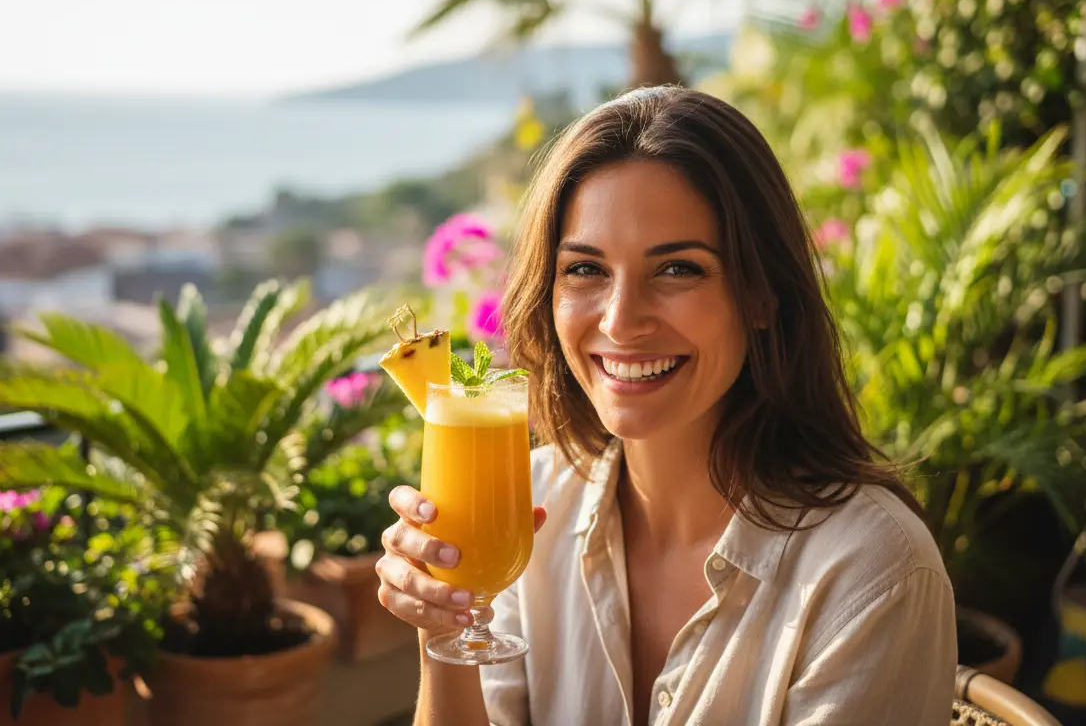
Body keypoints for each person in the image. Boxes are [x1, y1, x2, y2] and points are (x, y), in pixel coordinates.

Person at [375, 87, 958, 725]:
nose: (622, 322)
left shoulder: (871, 572)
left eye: (678, 269)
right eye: (585, 270)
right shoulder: (525, 517)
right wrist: (443, 635)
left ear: (762, 295)